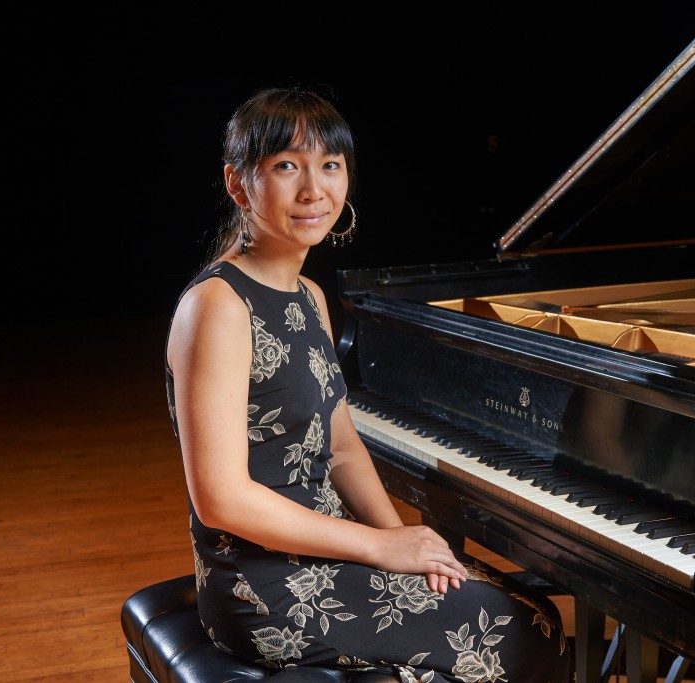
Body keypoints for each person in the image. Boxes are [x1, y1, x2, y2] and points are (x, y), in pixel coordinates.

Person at [164, 86, 571, 682]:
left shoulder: (309, 298)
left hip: (331, 549)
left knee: (531, 611)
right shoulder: (218, 306)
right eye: (286, 167)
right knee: (523, 634)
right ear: (237, 184)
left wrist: (402, 538)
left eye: (330, 165)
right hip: (265, 586)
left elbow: (343, 447)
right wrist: (382, 550)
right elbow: (221, 499)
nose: (313, 189)